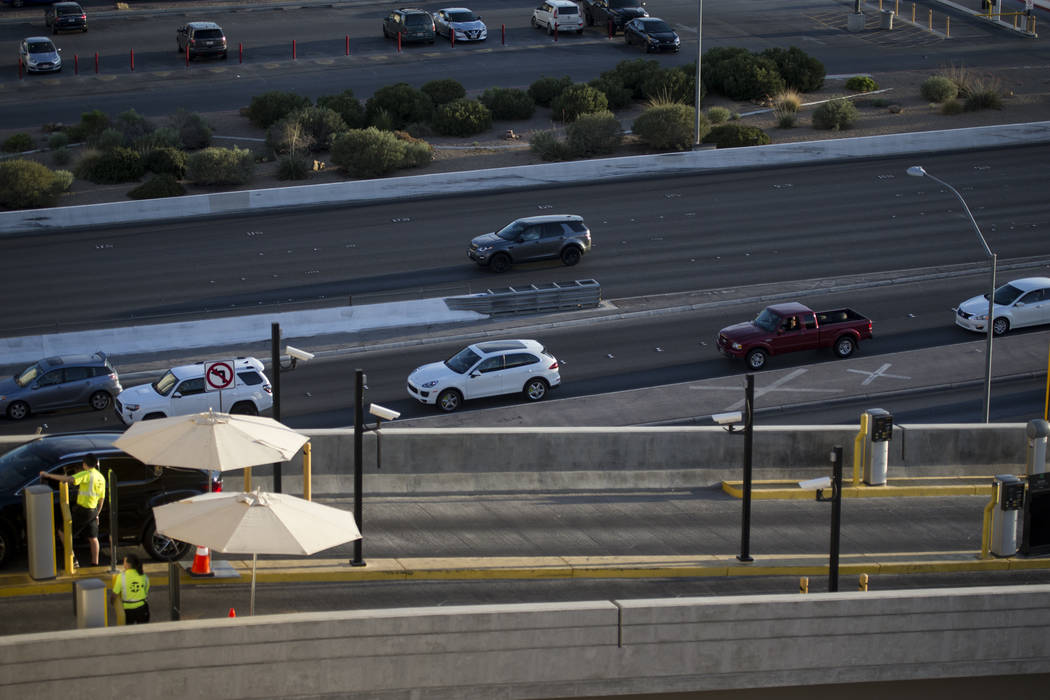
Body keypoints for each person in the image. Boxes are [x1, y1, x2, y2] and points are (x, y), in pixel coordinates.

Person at [39, 453, 106, 567]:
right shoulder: (101, 477)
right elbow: (102, 498)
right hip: (93, 510)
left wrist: (48, 475)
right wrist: (97, 514)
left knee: (63, 532)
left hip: (83, 510)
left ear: (84, 464)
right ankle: (95, 563)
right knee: (93, 538)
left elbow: (69, 479)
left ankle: (73, 560)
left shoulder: (86, 474)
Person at [111, 554, 150, 624]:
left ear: (128, 564)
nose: (123, 564)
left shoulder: (121, 577)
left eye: (124, 562)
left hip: (128, 610)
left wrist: (112, 602)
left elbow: (114, 595)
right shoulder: (144, 577)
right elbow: (145, 592)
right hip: (142, 608)